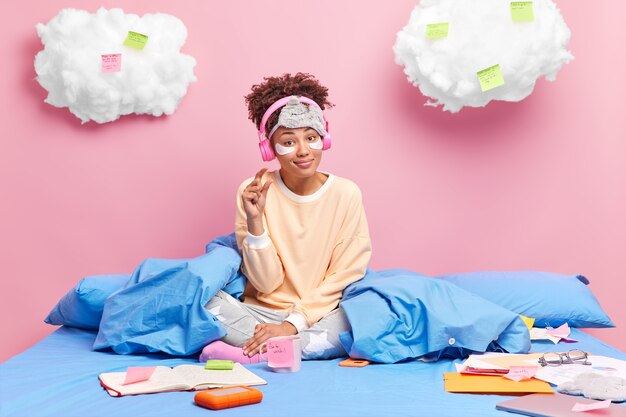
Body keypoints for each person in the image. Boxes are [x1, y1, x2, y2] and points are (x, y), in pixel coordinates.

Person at [200, 73, 372, 362]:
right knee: (200, 299)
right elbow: (266, 284)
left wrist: (292, 324)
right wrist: (255, 225)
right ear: (269, 147)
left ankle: (257, 352)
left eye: (311, 138)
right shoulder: (253, 191)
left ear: (324, 139)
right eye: (288, 141)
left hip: (320, 313)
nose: (303, 151)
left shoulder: (346, 193)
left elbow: (345, 274)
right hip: (259, 312)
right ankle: (286, 348)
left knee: (359, 318)